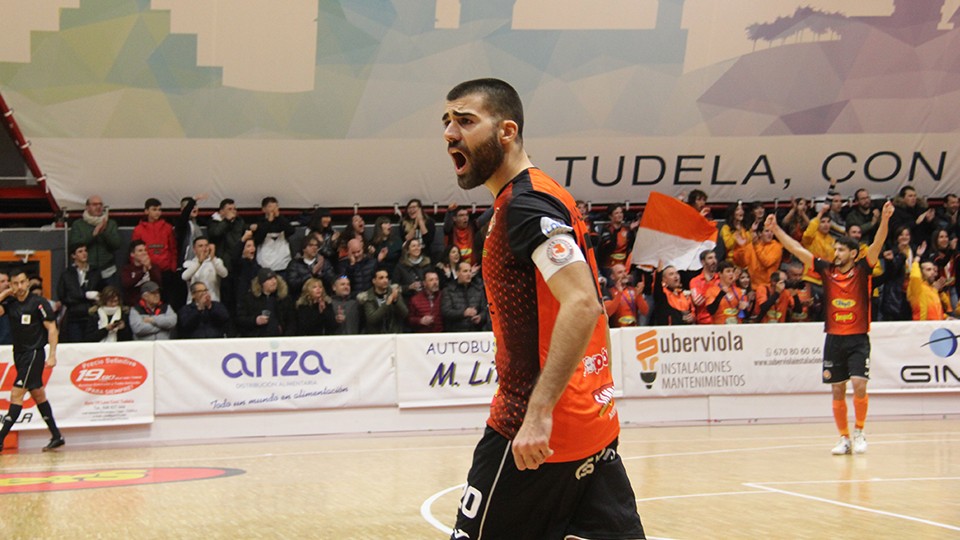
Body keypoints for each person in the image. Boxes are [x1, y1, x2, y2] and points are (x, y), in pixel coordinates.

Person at [442, 78, 644, 539]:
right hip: (590, 426)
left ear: (507, 131)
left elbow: (582, 302)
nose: (451, 133)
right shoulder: (547, 192)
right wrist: (598, 396)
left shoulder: (524, 205)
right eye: (447, 122)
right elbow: (593, 307)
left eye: (466, 121)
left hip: (531, 434)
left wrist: (538, 412)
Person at [766, 200, 894, 455]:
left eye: (841, 250)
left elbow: (878, 243)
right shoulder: (826, 270)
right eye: (835, 249)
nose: (836, 253)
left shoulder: (863, 269)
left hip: (858, 337)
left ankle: (859, 431)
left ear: (853, 254)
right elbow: (799, 250)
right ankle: (843, 437)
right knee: (837, 389)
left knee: (859, 384)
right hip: (834, 338)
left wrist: (886, 219)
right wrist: (777, 230)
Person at [0, 269, 65, 452]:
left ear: (28, 282)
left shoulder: (38, 303)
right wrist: (4, 294)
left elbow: (52, 329)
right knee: (38, 395)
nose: (19, 287)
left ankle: (0, 438)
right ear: (11, 285)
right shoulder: (10, 303)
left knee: (16, 394)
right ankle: (56, 435)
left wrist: (52, 354)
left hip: (34, 353)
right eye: (15, 283)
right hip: (19, 354)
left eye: (22, 282)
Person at [67, 195, 122, 285]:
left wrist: (103, 232)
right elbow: (74, 244)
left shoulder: (111, 224)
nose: (98, 207)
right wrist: (93, 235)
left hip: (108, 270)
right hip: (87, 271)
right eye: (94, 204)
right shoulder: (78, 224)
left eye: (100, 204)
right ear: (87, 207)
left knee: (111, 297)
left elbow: (117, 244)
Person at [57, 243, 103, 343]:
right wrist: (85, 296)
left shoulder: (95, 272)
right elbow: (63, 295)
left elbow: (102, 291)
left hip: (92, 315)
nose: (84, 253)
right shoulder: (67, 274)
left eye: (85, 250)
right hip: (74, 316)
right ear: (73, 256)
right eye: (80, 251)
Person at [236, 268, 294, 337]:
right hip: (257, 339)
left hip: (280, 339)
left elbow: (291, 321)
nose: (274, 282)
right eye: (269, 279)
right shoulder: (249, 299)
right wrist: (255, 320)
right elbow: (240, 319)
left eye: (275, 278)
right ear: (261, 283)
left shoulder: (284, 299)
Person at [441, 261, 488, 332]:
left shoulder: (478, 290)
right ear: (457, 273)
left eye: (470, 271)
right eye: (465, 271)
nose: (469, 274)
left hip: (475, 332)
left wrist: (480, 317)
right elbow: (446, 312)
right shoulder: (449, 290)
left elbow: (485, 310)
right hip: (455, 333)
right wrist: (463, 313)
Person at [254, 196, 296, 274]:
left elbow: (291, 231)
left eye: (276, 206)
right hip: (265, 263)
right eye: (270, 207)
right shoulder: (260, 223)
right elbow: (258, 239)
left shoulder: (282, 222)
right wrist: (268, 221)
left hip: (283, 263)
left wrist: (279, 217)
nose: (273, 209)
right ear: (263, 209)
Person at [357, 269, 408, 334]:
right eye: (381, 278)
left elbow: (405, 314)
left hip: (394, 335)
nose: (385, 280)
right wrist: (387, 304)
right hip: (376, 337)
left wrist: (396, 301)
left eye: (386, 277)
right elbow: (372, 319)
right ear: (374, 281)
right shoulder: (367, 297)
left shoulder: (394, 293)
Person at [181, 236, 229, 302]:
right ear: (194, 249)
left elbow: (224, 274)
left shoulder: (216, 261)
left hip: (213, 302)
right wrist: (199, 262)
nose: (204, 248)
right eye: (200, 246)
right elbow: (184, 277)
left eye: (206, 245)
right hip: (194, 303)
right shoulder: (189, 263)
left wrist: (212, 258)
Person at [907, 243, 946, 321]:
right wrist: (916, 260)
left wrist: (946, 317)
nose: (932, 272)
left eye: (933, 269)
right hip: (922, 328)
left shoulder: (932, 289)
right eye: (928, 270)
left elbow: (936, 310)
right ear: (921, 272)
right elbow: (915, 276)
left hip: (935, 328)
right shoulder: (917, 287)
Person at [603, 263, 648, 327]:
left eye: (625, 271)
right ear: (612, 276)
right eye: (620, 272)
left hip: (633, 329)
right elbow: (609, 312)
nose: (624, 275)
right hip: (616, 331)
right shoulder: (608, 291)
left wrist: (639, 295)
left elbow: (645, 311)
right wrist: (619, 293)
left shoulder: (633, 290)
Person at [121, 240, 163, 307]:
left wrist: (149, 268)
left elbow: (158, 283)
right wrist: (142, 272)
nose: (144, 253)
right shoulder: (127, 269)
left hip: (152, 304)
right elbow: (127, 284)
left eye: (145, 250)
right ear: (132, 254)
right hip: (134, 304)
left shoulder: (154, 267)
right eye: (140, 251)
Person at [689, 250, 719, 324]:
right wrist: (708, 284)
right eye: (710, 258)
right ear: (703, 262)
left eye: (715, 257)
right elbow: (698, 301)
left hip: (721, 320)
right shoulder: (695, 281)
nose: (714, 261)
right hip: (704, 322)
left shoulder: (721, 278)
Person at [0, 272, 12, 345]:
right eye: (2, 281)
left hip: (8, 344)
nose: (7, 284)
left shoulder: (12, 300)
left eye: (8, 281)